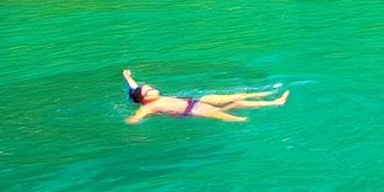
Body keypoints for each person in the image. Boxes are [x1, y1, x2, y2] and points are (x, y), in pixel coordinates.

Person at [121, 69, 289, 123]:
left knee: (235, 97)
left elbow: (135, 89)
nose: (153, 89)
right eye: (149, 91)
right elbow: (134, 118)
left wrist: (127, 77)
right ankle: (275, 103)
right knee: (233, 106)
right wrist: (132, 121)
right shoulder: (148, 106)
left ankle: (265, 93)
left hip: (195, 101)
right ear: (144, 99)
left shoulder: (145, 96)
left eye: (151, 87)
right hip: (193, 111)